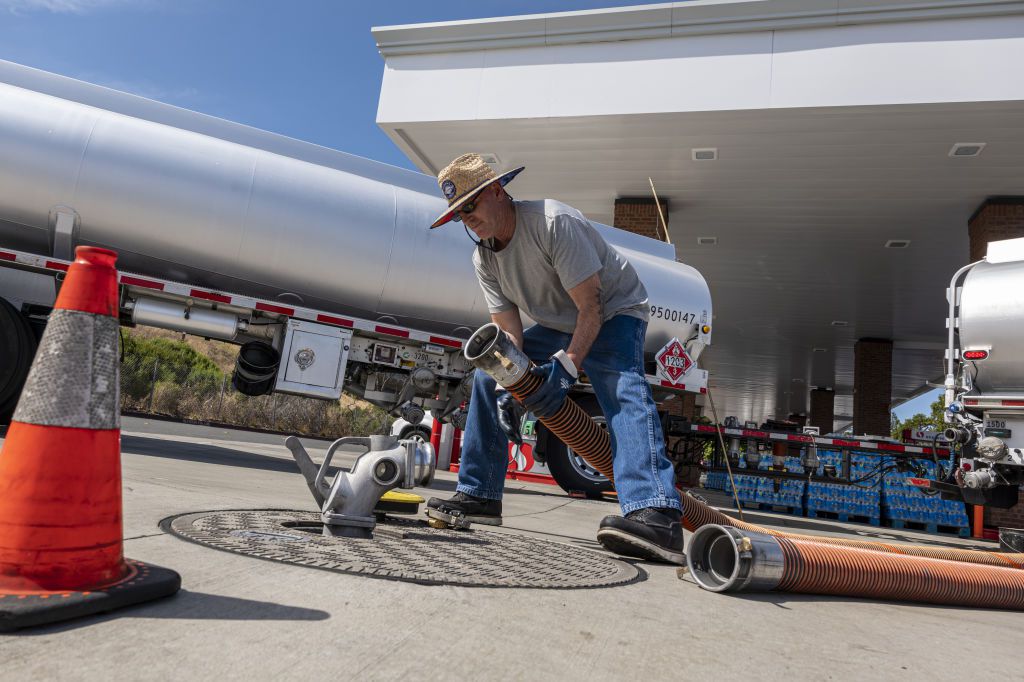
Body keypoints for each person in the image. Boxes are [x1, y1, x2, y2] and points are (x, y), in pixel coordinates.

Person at [425, 153, 684, 564]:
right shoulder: (484, 258)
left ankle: (657, 514)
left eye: (470, 204)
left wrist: (564, 370)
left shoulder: (552, 224)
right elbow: (509, 334)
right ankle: (480, 494)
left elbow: (592, 307)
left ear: (497, 190)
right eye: (458, 214)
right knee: (486, 378)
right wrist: (510, 382)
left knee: (621, 389)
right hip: (561, 320)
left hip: (614, 310)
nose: (466, 218)